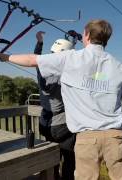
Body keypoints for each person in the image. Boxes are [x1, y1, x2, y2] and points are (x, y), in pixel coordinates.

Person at [0, 19, 122, 180]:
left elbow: (33, 60)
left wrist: (3, 56)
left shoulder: (71, 58)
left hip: (87, 137)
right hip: (116, 135)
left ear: (87, 35)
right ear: (107, 39)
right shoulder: (120, 67)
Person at [34, 31, 76, 180]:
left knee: (53, 157)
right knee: (69, 158)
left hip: (45, 122)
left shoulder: (43, 71)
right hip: (61, 125)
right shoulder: (63, 74)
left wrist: (39, 44)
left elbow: (37, 61)